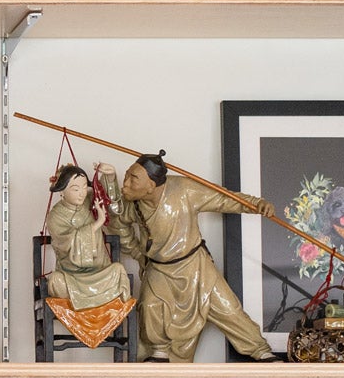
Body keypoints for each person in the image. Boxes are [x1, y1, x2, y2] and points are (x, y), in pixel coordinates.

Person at [99, 154, 276, 362]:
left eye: (132, 179)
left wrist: (256, 204)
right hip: (159, 268)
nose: (125, 184)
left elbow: (223, 199)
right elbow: (117, 220)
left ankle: (261, 351)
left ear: (151, 185)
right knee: (149, 306)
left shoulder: (184, 190)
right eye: (126, 176)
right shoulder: (134, 203)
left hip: (195, 264)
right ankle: (159, 351)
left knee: (228, 308)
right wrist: (138, 253)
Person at [43, 165, 132, 310]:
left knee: (118, 270)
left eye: (84, 187)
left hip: (100, 272)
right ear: (62, 191)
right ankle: (99, 299)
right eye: (75, 189)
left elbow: (107, 200)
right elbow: (66, 242)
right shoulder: (55, 216)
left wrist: (109, 177)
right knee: (55, 282)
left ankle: (96, 300)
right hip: (72, 276)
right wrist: (96, 225)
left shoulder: (89, 201)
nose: (82, 193)